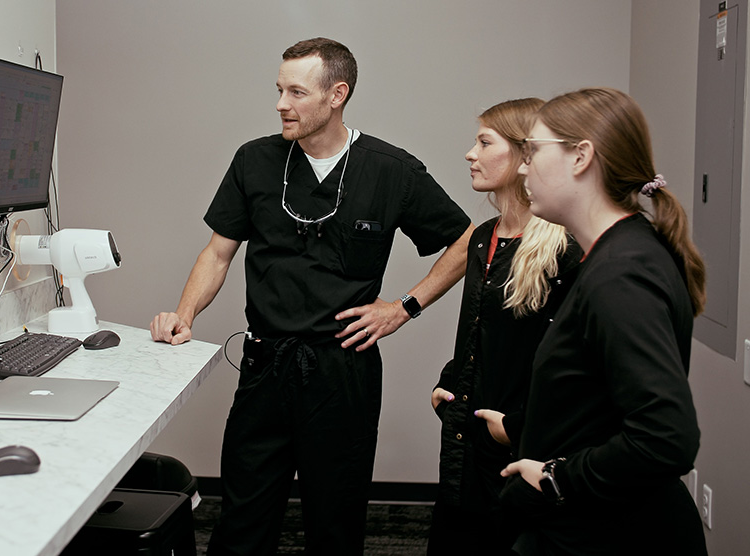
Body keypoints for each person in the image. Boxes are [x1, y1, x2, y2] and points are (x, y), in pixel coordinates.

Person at [150, 37, 473, 555]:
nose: (281, 103)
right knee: (242, 520)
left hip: (342, 370)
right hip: (264, 367)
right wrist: (184, 314)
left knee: (335, 522)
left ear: (336, 95)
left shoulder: (390, 170)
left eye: (296, 91)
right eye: (279, 89)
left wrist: (403, 308)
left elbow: (466, 242)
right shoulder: (255, 161)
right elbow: (217, 253)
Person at [501, 87, 708, 555]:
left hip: (611, 535)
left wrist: (557, 478)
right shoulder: (616, 255)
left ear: (581, 157)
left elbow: (666, 438)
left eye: (532, 151)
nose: (521, 167)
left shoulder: (622, 273)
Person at [428, 98, 580, 555]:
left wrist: (514, 425)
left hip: (520, 447)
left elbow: (569, 361)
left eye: (484, 142)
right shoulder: (481, 238)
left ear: (521, 156)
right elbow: (483, 331)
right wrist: (449, 381)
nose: (470, 154)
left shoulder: (562, 249)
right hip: (465, 438)